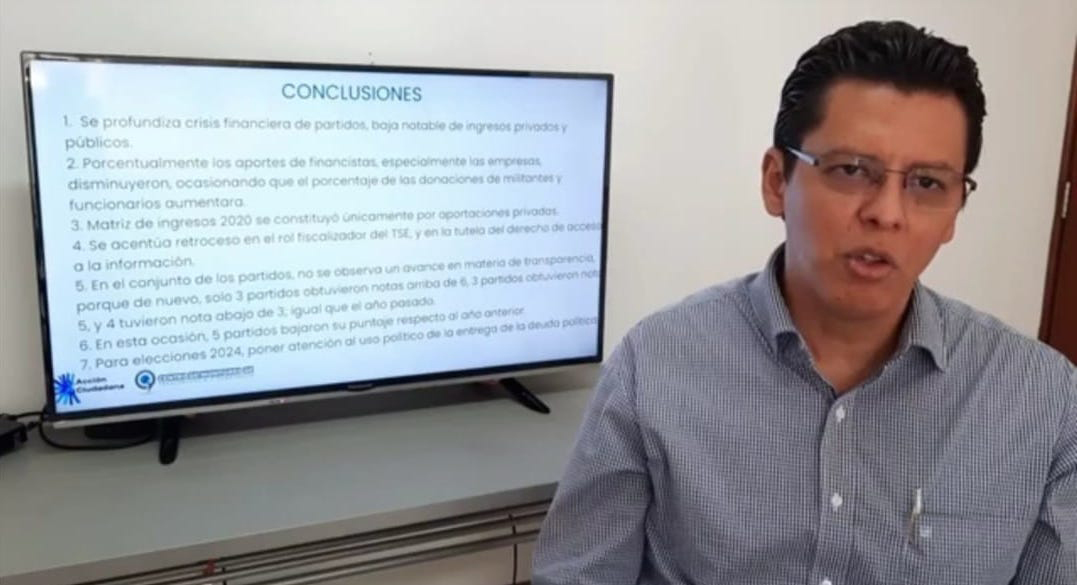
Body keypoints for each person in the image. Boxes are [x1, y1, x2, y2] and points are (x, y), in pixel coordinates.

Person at [532, 20, 1076, 585]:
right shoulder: (657, 365)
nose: (887, 214)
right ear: (776, 181)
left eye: (927, 184)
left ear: (956, 209)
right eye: (852, 171)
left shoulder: (1042, 401)